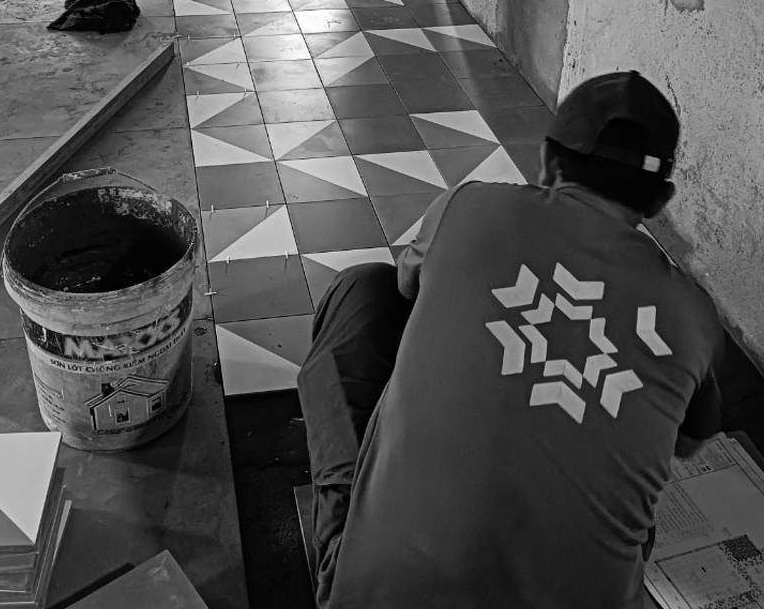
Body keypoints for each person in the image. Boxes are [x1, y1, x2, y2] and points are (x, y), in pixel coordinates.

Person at [296, 70, 724, 609]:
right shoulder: (694, 314)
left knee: (364, 289)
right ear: (661, 200)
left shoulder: (466, 208)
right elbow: (690, 441)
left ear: (547, 161)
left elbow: (404, 286)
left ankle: (348, 511)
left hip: (378, 595)